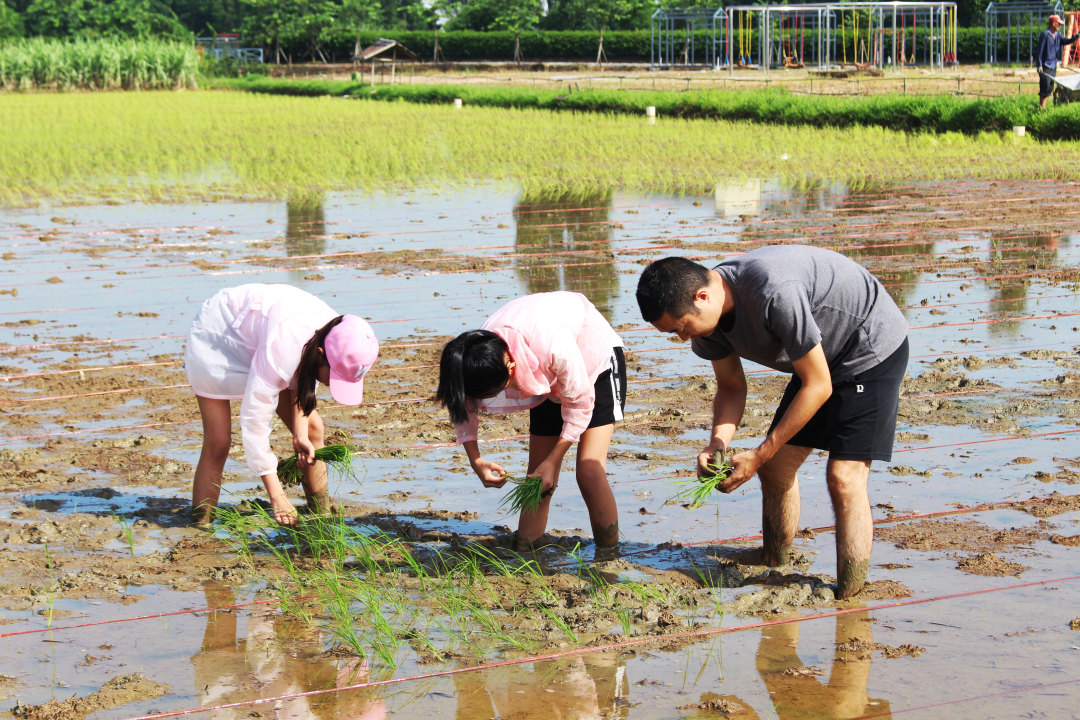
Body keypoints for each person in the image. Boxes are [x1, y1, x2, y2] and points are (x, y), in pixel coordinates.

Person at [635, 247, 908, 599]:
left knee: (844, 476)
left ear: (702, 296)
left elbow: (819, 385)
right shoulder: (710, 323)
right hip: (817, 356)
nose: (684, 338)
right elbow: (731, 387)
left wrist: (760, 452)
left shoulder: (773, 291)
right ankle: (774, 558)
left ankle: (850, 593)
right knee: (778, 468)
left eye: (682, 327)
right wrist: (717, 443)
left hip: (867, 349)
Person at [434, 291, 625, 551]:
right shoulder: (474, 356)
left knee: (589, 471)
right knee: (538, 479)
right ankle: (526, 551)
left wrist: (554, 459)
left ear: (511, 368)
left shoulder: (552, 346)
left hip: (593, 362)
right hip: (543, 369)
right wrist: (475, 459)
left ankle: (609, 556)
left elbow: (579, 404)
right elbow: (463, 404)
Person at [185, 284, 379, 526]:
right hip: (219, 335)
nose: (333, 385)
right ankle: (201, 525)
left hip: (267, 338)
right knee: (218, 441)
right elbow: (255, 423)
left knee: (312, 429)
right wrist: (277, 496)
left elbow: (304, 378)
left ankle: (321, 514)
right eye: (335, 376)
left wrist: (300, 435)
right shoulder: (284, 347)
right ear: (321, 354)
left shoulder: (337, 333)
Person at [1036, 14, 1079, 109]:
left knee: (1050, 87)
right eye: (1058, 23)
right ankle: (1042, 107)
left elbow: (1065, 41)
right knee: (1045, 87)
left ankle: (1043, 107)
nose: (1060, 25)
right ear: (1053, 23)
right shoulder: (1045, 34)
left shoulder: (1057, 35)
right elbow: (1039, 51)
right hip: (1045, 66)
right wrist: (1039, 65)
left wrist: (1075, 37)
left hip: (1053, 65)